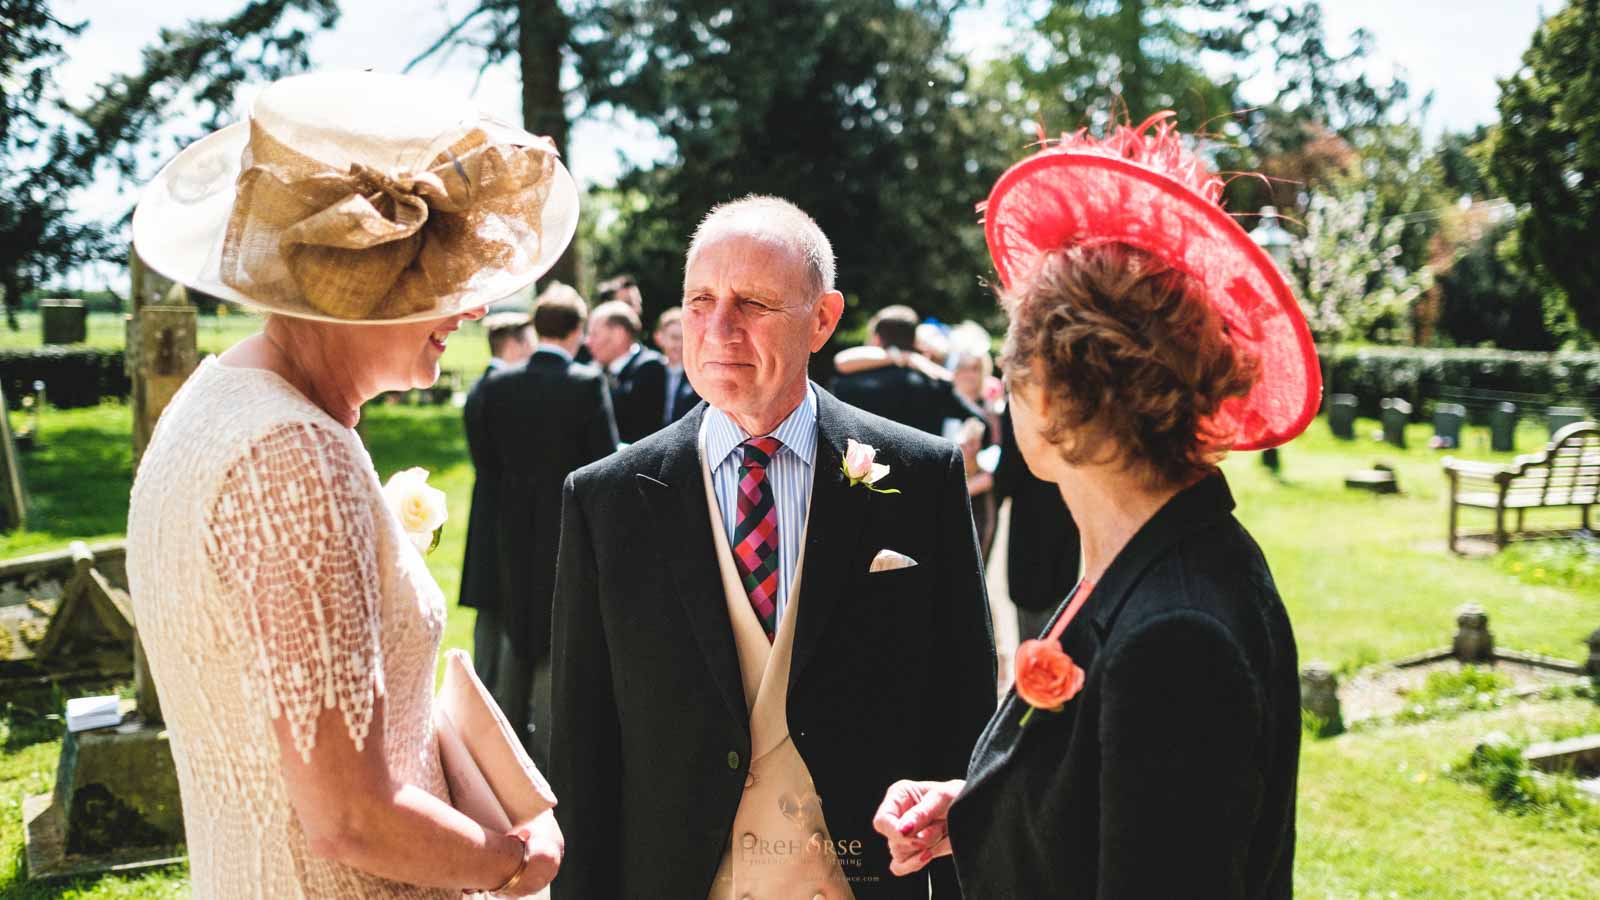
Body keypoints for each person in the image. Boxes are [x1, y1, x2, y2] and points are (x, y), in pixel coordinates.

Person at [123, 71, 575, 898]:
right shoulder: (294, 454)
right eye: (442, 277)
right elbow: (351, 818)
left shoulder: (218, 401)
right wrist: (512, 860)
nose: (474, 310)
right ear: (364, 280)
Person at [874, 114, 1321, 897]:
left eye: (1012, 371)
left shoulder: (1174, 638)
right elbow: (1107, 800)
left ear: (1048, 396)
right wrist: (974, 810)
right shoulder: (1164, 552)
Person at [549, 195, 997, 900]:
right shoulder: (605, 499)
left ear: (823, 319)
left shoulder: (921, 476)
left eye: (753, 303)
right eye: (700, 301)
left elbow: (964, 703)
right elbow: (582, 749)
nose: (718, 329)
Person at [473, 285, 618, 767]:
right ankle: (550, 756)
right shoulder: (586, 383)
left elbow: (486, 461)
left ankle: (502, 750)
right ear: (577, 331)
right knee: (560, 631)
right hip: (566, 526)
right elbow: (603, 463)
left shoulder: (499, 385)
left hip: (512, 527)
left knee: (516, 627)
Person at [461, 310, 536, 688]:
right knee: (496, 615)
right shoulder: (499, 390)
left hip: (489, 509)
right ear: (515, 344)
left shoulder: (483, 386)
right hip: (501, 514)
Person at [830, 305, 988, 439]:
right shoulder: (935, 384)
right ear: (914, 340)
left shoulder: (846, 383)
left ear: (877, 338)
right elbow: (981, 423)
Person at [585, 299, 668, 443]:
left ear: (618, 335)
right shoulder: (596, 370)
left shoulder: (650, 368)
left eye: (594, 334)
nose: (588, 342)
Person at [655, 305, 702, 424]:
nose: (680, 344)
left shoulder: (699, 377)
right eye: (674, 338)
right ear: (660, 338)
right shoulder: (651, 372)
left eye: (685, 338)